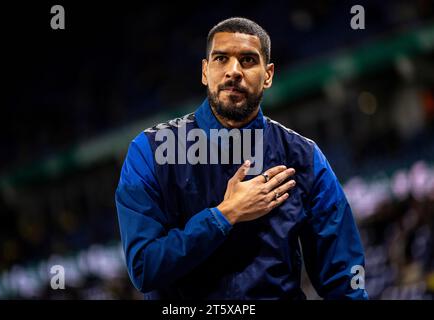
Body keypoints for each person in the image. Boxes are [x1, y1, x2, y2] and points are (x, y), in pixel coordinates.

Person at [115, 17, 368, 300]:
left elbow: (345, 282)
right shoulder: (148, 151)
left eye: (248, 60)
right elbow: (144, 268)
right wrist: (225, 215)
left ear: (268, 75)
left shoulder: (305, 157)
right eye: (221, 59)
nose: (233, 71)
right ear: (204, 71)